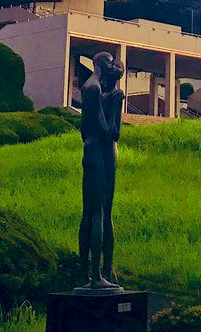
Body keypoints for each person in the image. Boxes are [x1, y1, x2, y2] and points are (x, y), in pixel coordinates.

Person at [77, 51, 124, 292]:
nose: (109, 65)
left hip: (91, 149)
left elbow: (85, 128)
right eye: (107, 61)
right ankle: (96, 275)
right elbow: (108, 131)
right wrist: (114, 105)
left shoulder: (91, 87)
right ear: (98, 63)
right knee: (100, 211)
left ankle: (85, 272)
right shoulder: (94, 88)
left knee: (91, 212)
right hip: (99, 152)